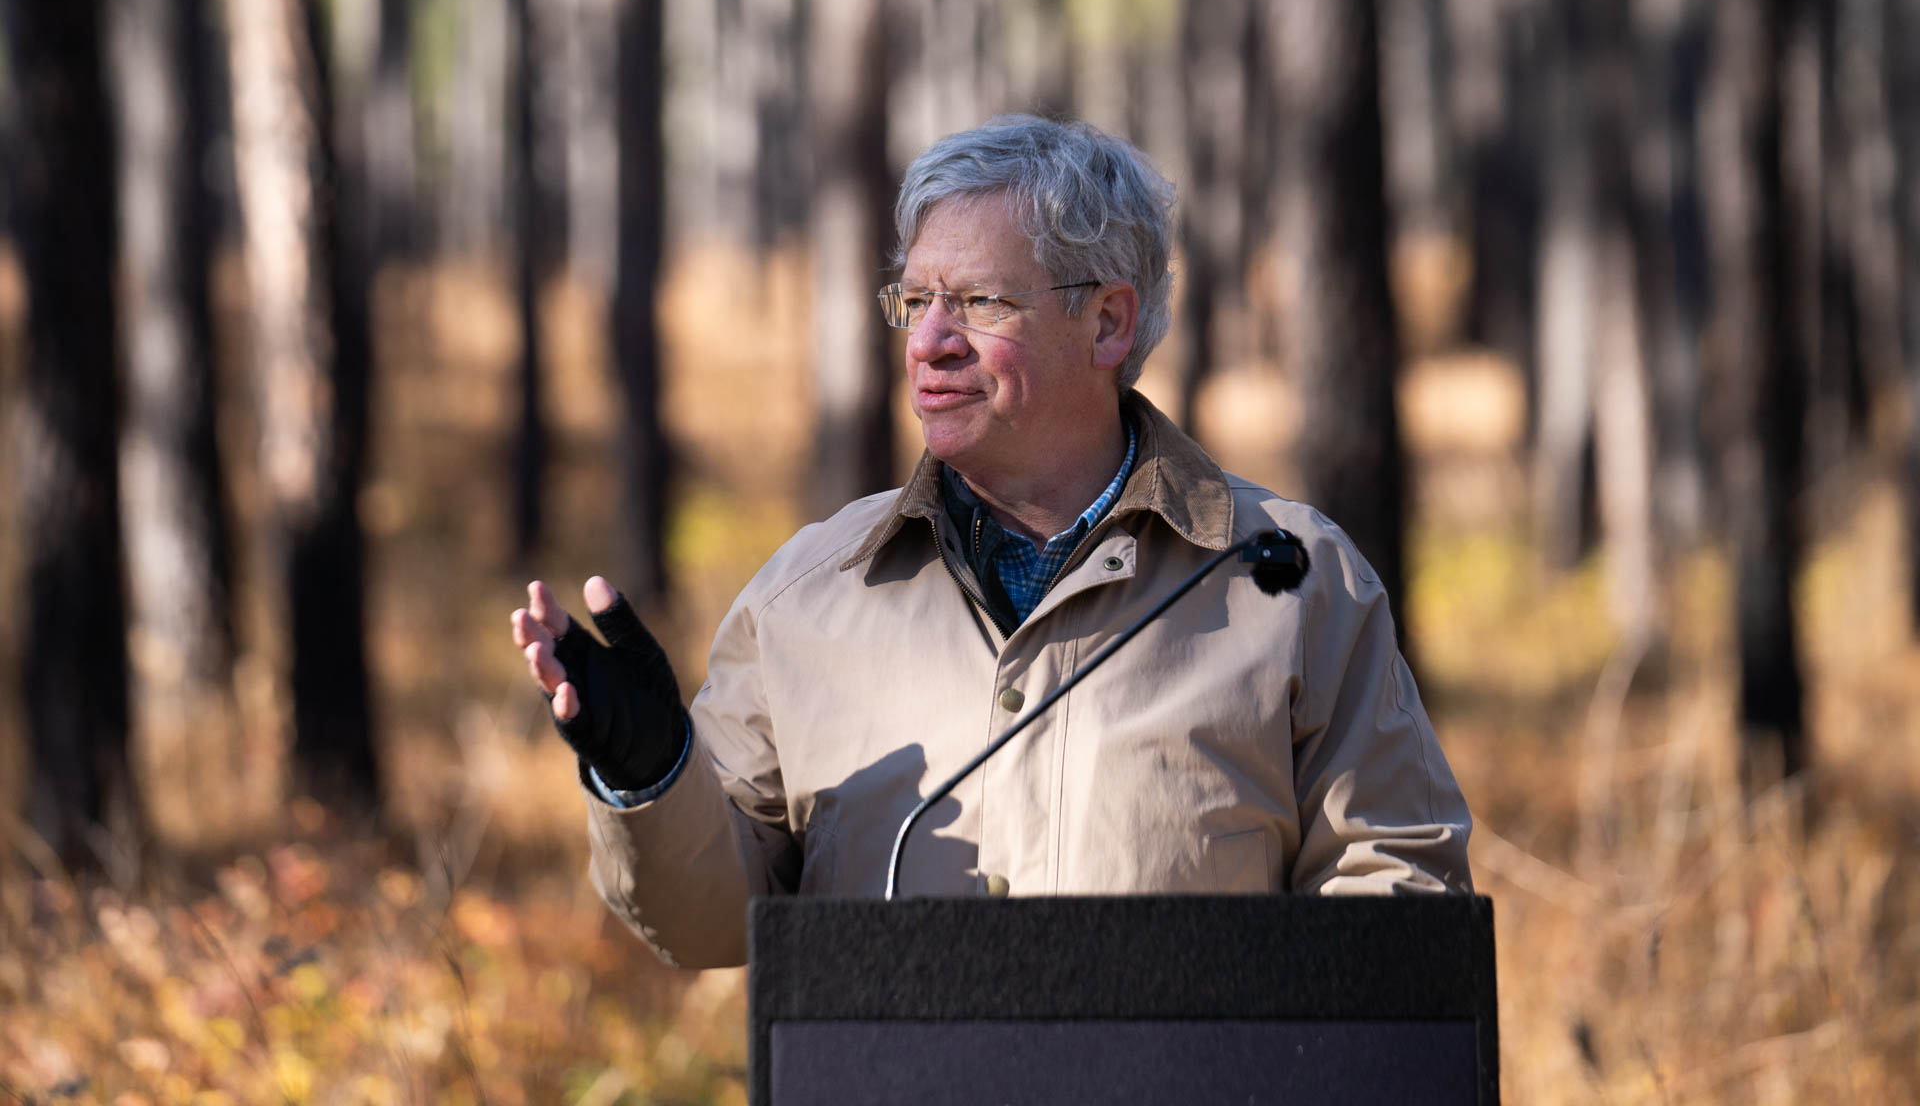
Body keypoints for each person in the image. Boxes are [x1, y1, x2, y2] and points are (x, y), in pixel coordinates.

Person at [511, 115, 1472, 969]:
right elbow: (709, 926)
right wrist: (650, 780)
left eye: (978, 304)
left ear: (1106, 323)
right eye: (915, 301)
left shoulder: (1288, 584)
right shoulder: (806, 596)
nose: (929, 342)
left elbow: (1398, 905)